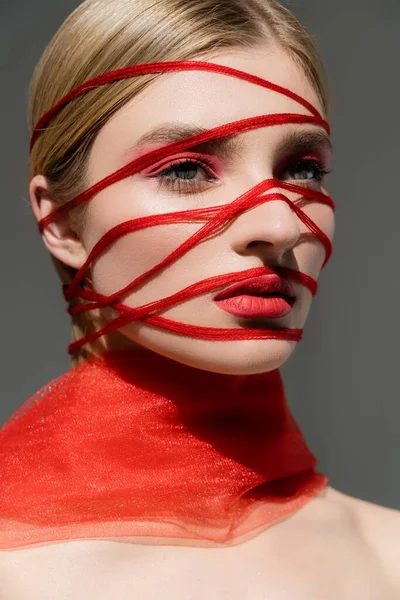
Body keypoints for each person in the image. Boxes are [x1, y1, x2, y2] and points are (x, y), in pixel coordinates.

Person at [0, 0, 399, 597]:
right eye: (187, 169)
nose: (282, 226)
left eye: (303, 170)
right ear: (61, 222)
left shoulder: (387, 553)